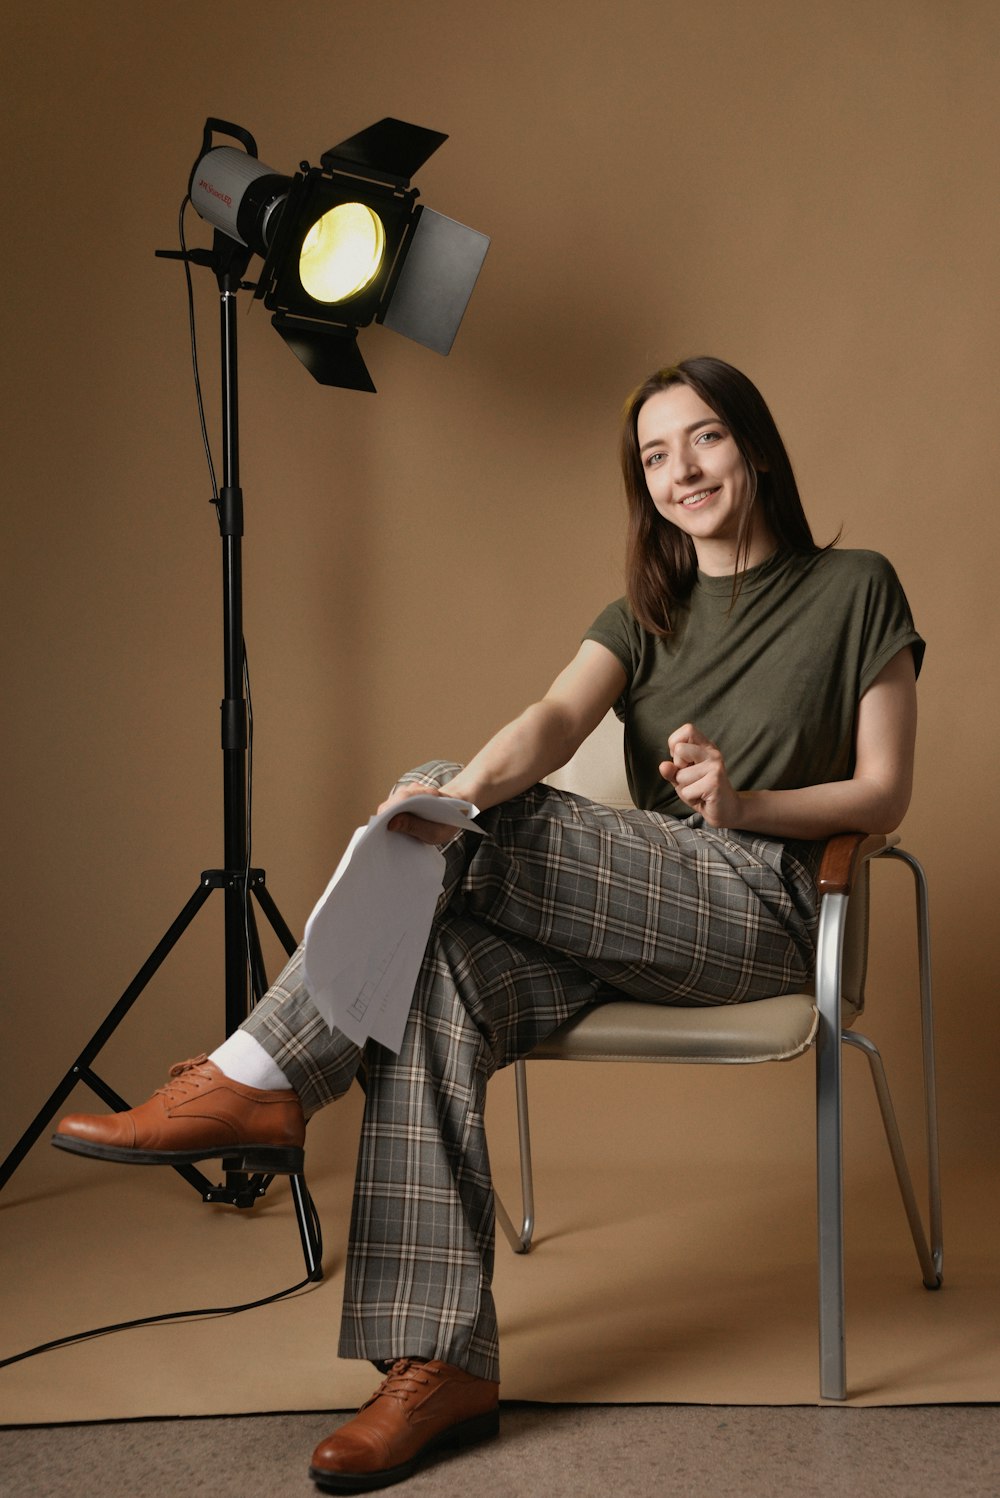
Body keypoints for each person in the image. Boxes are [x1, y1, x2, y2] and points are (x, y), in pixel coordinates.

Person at [53, 356, 923, 1492]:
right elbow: (554, 720)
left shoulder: (855, 586)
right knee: (438, 963)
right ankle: (439, 1362)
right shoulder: (644, 613)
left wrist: (745, 804)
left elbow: (885, 791)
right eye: (654, 455)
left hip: (768, 911)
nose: (680, 471)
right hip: (628, 920)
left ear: (753, 447)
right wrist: (435, 806)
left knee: (443, 806)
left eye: (702, 440)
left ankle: (258, 1073)